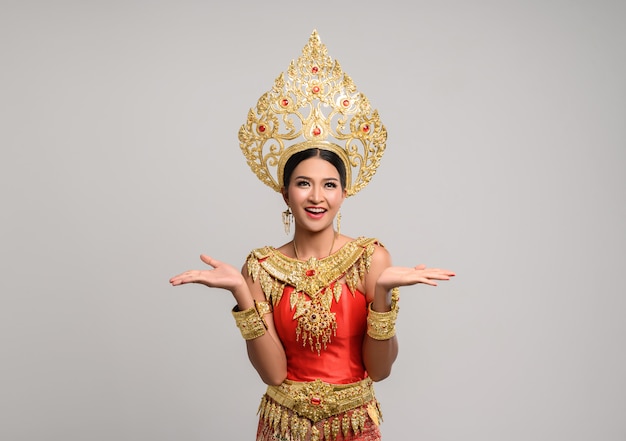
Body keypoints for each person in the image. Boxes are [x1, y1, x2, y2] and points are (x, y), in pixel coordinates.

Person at [169, 30, 454, 441]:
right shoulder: (262, 267)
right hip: (281, 428)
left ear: (343, 193)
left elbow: (380, 370)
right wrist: (240, 292)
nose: (317, 197)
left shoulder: (371, 259)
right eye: (304, 183)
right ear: (285, 191)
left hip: (353, 430)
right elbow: (274, 372)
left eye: (330, 185)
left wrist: (382, 297)